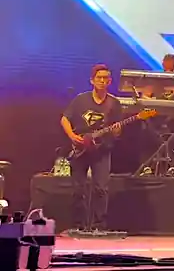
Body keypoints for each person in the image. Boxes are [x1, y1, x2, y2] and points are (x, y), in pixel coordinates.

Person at [60, 64, 123, 232]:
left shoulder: (114, 103)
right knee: (78, 189)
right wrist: (72, 136)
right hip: (80, 149)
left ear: (110, 81)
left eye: (105, 78)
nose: (102, 81)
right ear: (92, 80)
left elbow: (117, 131)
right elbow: (64, 119)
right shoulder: (81, 100)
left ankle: (98, 226)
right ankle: (78, 226)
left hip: (102, 151)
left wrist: (116, 131)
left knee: (101, 188)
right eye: (99, 78)